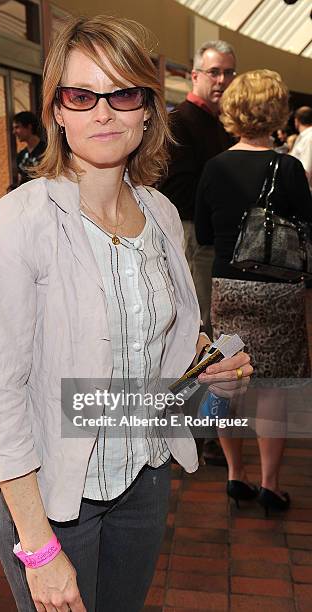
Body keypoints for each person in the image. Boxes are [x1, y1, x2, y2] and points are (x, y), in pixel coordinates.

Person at [0, 16, 251, 612]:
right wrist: (41, 551)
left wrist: (208, 371)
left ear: (148, 110)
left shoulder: (161, 215)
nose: (103, 113)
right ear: (58, 111)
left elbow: (160, 352)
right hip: (53, 504)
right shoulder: (21, 224)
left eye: (123, 93)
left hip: (144, 482)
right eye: (82, 95)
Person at [195, 70, 312, 517]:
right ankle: (270, 485)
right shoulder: (290, 168)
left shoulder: (215, 167)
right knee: (273, 392)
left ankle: (233, 475)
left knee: (228, 383)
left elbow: (204, 233)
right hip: (279, 291)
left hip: (228, 287)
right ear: (276, 111)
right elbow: (306, 229)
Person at [159, 40, 236, 339]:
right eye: (214, 72)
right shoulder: (180, 119)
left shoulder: (216, 123)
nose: (221, 80)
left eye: (228, 73)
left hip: (208, 235)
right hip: (191, 232)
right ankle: (197, 386)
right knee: (198, 323)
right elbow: (175, 188)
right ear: (195, 75)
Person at [12, 111, 46, 187]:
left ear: (29, 127)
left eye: (17, 127)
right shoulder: (21, 156)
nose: (14, 132)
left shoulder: (47, 151)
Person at [291, 106, 312, 191]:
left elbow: (306, 171)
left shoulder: (309, 137)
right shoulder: (304, 136)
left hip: (305, 191)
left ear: (296, 120)